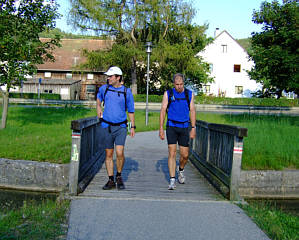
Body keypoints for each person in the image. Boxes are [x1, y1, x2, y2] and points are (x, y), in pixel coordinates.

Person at [96, 66, 136, 190]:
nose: (108, 78)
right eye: (108, 76)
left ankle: (119, 175)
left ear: (118, 77)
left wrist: (133, 126)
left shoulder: (126, 92)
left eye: (110, 76)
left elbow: (131, 110)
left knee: (119, 153)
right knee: (109, 154)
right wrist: (99, 109)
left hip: (121, 127)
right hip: (107, 126)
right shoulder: (104, 89)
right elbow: (98, 101)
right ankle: (110, 179)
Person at [159, 73, 196, 190]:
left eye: (181, 84)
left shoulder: (189, 94)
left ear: (183, 83)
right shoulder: (168, 94)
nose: (179, 87)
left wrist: (193, 127)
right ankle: (172, 180)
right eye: (177, 84)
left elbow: (193, 110)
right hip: (171, 126)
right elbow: (163, 110)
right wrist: (161, 128)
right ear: (173, 84)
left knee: (185, 155)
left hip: (184, 127)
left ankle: (181, 170)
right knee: (172, 153)